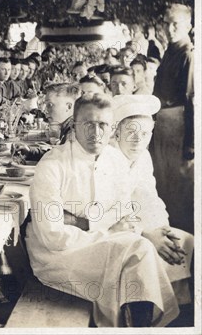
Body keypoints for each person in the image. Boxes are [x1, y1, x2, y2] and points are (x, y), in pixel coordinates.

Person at [26, 93, 179, 327]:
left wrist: (82, 221)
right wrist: (100, 227)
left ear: (112, 129)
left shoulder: (114, 160)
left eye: (102, 125)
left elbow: (126, 212)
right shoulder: (52, 165)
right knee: (138, 250)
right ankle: (139, 327)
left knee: (141, 253)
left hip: (102, 244)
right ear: (74, 125)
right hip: (57, 257)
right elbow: (52, 236)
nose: (95, 133)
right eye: (87, 124)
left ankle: (135, 326)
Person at [112, 94, 193, 305]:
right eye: (131, 132)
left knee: (183, 241)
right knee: (145, 251)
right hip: (111, 230)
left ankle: (171, 312)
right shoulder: (108, 159)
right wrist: (146, 233)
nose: (138, 139)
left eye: (145, 133)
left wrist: (161, 229)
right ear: (116, 132)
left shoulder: (142, 157)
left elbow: (150, 199)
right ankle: (136, 313)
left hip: (137, 225)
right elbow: (112, 210)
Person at [151, 4, 194, 235]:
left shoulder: (188, 54)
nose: (169, 28)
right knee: (163, 188)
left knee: (178, 192)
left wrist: (190, 145)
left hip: (178, 128)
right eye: (166, 23)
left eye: (175, 23)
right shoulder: (170, 51)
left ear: (189, 25)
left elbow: (191, 102)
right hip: (163, 127)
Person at [14, 83, 81, 161]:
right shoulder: (68, 126)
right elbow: (59, 155)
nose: (44, 110)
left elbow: (61, 161)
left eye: (50, 105)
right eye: (45, 105)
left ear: (68, 107)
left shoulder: (75, 131)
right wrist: (29, 152)